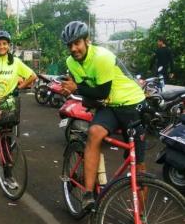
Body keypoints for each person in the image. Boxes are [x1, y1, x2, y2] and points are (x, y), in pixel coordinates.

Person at [59, 21, 146, 211]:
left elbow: (101, 91)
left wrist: (77, 88)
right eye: (70, 45)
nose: (73, 49)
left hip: (132, 103)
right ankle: (89, 195)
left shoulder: (102, 57)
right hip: (110, 106)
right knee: (94, 133)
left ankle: (141, 216)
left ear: (87, 41)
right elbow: (89, 91)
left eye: (77, 43)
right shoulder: (70, 62)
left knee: (137, 164)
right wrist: (75, 91)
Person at [0, 31, 37, 192]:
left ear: (8, 45)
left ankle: (8, 177)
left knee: (6, 143)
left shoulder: (16, 62)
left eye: (5, 43)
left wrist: (19, 87)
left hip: (8, 107)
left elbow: (33, 76)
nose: (2, 46)